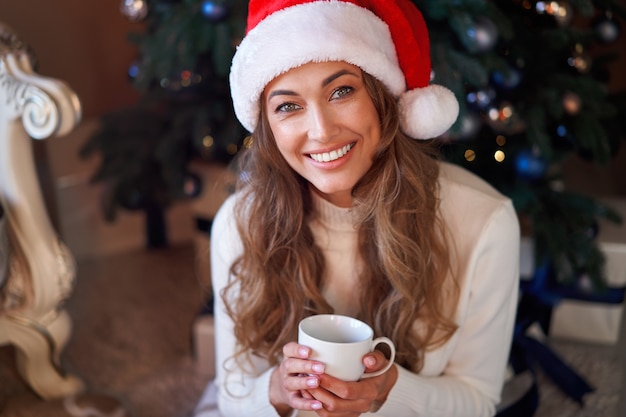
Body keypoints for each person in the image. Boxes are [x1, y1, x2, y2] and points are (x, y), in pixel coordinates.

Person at [195, 0, 521, 416]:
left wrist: (390, 394)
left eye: (342, 91)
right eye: (288, 106)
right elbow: (235, 397)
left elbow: (476, 400)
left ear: (383, 99)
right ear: (268, 129)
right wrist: (275, 391)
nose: (321, 131)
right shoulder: (240, 223)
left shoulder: (483, 222)